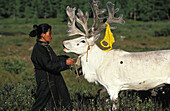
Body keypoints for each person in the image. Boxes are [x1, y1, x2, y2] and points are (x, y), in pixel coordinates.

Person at [29, 23, 75, 111]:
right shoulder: (39, 49)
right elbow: (49, 65)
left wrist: (65, 59)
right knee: (40, 103)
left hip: (52, 78)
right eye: (49, 33)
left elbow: (53, 60)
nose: (51, 36)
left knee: (58, 101)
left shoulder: (44, 46)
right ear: (43, 35)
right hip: (45, 81)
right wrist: (64, 63)